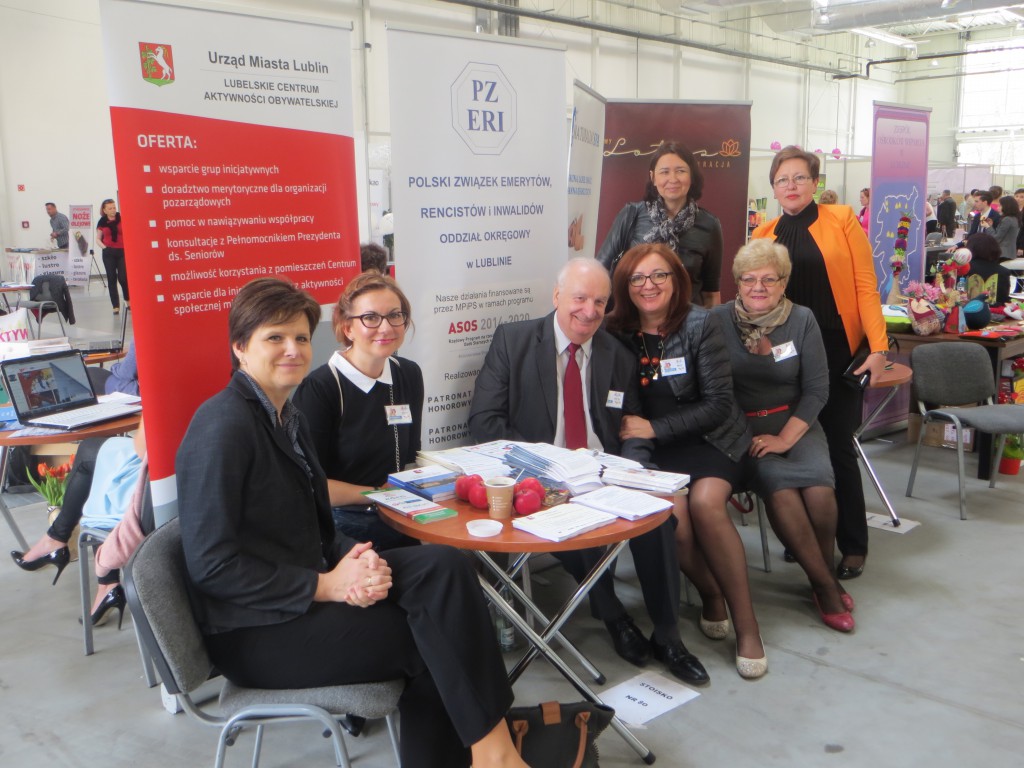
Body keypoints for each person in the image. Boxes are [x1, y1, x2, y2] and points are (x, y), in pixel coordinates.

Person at [176, 277, 527, 768]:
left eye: (301, 337)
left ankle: (493, 753)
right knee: (433, 636)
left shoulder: (286, 417)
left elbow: (314, 528)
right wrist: (327, 586)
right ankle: (497, 758)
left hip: (304, 593)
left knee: (445, 566)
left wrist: (358, 559)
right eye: (275, 338)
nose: (293, 350)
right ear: (240, 347)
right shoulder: (222, 426)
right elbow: (212, 567)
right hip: (256, 631)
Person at [468, 257, 709, 685]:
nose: (590, 311)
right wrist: (544, 467)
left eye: (600, 302)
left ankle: (669, 636)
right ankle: (614, 616)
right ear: (557, 296)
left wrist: (634, 469)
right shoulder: (514, 341)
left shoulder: (617, 354)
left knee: (656, 517)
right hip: (541, 478)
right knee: (573, 526)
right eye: (580, 299)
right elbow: (485, 423)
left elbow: (631, 425)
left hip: (604, 473)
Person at [606, 244, 768, 679]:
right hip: (656, 451)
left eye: (659, 275)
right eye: (638, 278)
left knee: (706, 504)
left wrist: (653, 428)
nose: (649, 285)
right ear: (625, 285)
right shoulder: (616, 331)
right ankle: (710, 592)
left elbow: (718, 404)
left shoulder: (700, 323)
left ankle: (747, 627)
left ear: (676, 279)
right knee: (670, 520)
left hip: (712, 439)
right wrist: (643, 437)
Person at [752, 146, 889, 582]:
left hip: (836, 348)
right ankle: (806, 536)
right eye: (782, 180)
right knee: (793, 444)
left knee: (837, 446)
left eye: (799, 177)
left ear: (815, 182)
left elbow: (866, 286)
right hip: (784, 354)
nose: (790, 186)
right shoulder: (764, 233)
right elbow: (755, 297)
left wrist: (879, 348)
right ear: (773, 189)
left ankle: (853, 544)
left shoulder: (842, 219)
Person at [712, 239, 854, 632]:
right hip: (744, 430)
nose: (758, 287)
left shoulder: (802, 320)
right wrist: (746, 435)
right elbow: (714, 391)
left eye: (768, 279)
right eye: (749, 279)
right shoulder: (718, 321)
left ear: (784, 282)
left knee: (821, 493)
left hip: (797, 423)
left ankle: (821, 574)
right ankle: (825, 587)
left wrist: (787, 438)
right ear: (738, 282)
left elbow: (817, 390)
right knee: (783, 490)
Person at [292, 273, 421, 550]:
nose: (385, 327)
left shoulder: (408, 374)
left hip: (399, 513)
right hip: (343, 527)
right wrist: (376, 495)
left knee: (448, 559)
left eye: (394, 315)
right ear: (347, 328)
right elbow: (310, 485)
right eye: (370, 318)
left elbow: (410, 458)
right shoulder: (321, 388)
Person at [9, 421, 147, 628]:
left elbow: (143, 448)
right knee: (101, 457)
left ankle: (58, 540)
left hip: (154, 488)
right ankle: (101, 581)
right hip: (183, 483)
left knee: (92, 455)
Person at [596, 141, 723, 307]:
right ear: (653, 178)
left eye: (681, 171)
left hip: (688, 319)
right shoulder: (632, 214)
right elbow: (599, 271)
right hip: (634, 316)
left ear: (691, 176)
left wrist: (711, 323)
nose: (673, 179)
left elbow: (711, 294)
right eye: (664, 172)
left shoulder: (709, 225)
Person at [96, 198, 129, 314]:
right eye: (110, 208)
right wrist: (105, 248)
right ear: (105, 210)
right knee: (111, 278)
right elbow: (98, 239)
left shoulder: (122, 219)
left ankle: (127, 299)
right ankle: (115, 305)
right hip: (108, 253)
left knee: (123, 278)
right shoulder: (102, 222)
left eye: (114, 207)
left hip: (122, 251)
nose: (113, 210)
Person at [965, 233, 1012, 306]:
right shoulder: (1004, 272)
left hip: (967, 308)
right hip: (994, 310)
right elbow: (1003, 298)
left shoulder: (964, 268)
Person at [982, 195, 1020, 261]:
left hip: (1003, 254)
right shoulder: (1014, 218)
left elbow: (996, 238)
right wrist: (991, 226)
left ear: (1006, 207)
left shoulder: (1007, 220)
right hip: (1009, 253)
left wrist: (987, 227)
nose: (997, 208)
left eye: (1000, 206)